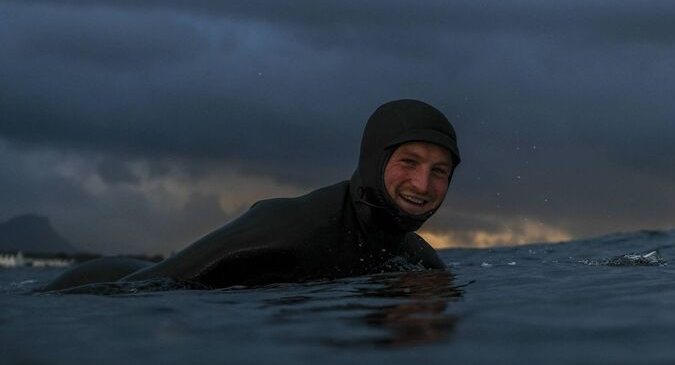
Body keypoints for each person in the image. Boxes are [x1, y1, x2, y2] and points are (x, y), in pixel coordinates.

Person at [43, 99, 460, 291]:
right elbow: (146, 289)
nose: (422, 185)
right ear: (374, 160)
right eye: (409, 162)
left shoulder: (414, 256)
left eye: (439, 171)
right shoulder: (291, 226)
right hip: (93, 287)